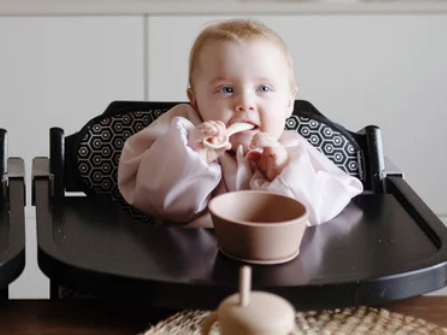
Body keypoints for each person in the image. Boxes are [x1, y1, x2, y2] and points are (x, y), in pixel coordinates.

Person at [118, 19, 362, 226]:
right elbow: (157, 201)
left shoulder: (292, 150)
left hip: (272, 256)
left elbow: (315, 213)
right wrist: (193, 156)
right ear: (195, 101)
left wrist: (282, 172)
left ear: (289, 103)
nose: (245, 103)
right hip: (192, 254)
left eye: (263, 88)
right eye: (226, 89)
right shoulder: (182, 131)